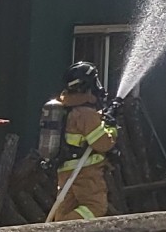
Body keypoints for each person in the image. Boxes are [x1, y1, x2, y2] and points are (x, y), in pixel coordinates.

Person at [48, 61, 117, 221]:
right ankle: (66, 229)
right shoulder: (86, 114)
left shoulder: (69, 108)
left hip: (66, 171)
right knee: (95, 206)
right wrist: (112, 129)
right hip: (85, 172)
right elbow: (103, 144)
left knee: (65, 209)